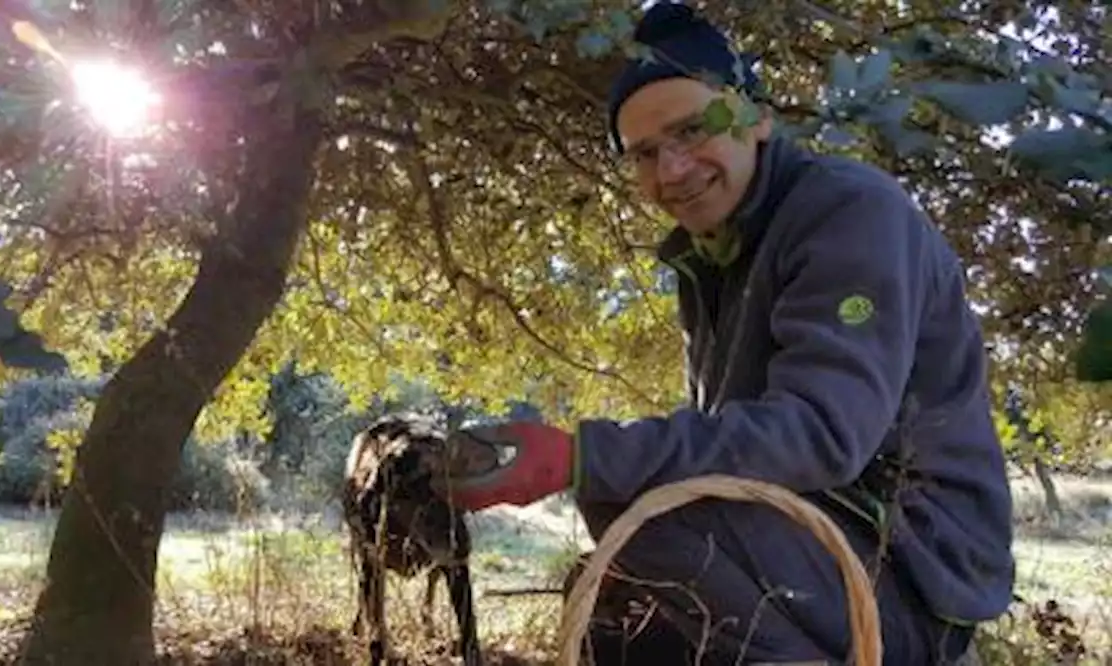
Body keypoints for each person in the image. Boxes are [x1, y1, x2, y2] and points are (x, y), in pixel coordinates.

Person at [435, 2, 1016, 665]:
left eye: (693, 129)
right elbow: (731, 443)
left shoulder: (849, 214)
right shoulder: (708, 255)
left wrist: (578, 457)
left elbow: (821, 435)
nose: (672, 170)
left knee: (656, 519)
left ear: (758, 117)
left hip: (913, 572)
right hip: (802, 548)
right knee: (616, 610)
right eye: (646, 154)